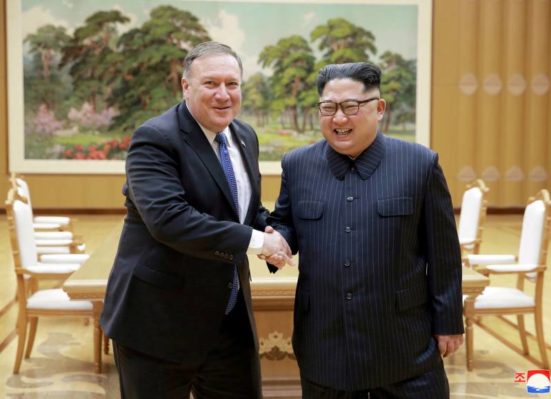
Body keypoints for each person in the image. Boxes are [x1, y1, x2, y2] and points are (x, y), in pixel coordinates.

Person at [101, 41, 292, 399]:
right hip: (158, 324)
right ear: (186, 86)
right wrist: (256, 241)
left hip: (229, 322)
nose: (224, 94)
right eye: (211, 83)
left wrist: (271, 229)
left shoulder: (245, 136)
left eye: (232, 84)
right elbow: (169, 220)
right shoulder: (155, 138)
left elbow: (243, 211)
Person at [267, 62, 464, 398]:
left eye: (351, 107)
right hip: (325, 343)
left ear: (379, 108)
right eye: (328, 108)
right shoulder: (298, 165)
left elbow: (443, 252)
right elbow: (285, 223)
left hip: (404, 342)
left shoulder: (419, 164)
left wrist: (448, 322)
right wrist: (277, 240)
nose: (339, 119)